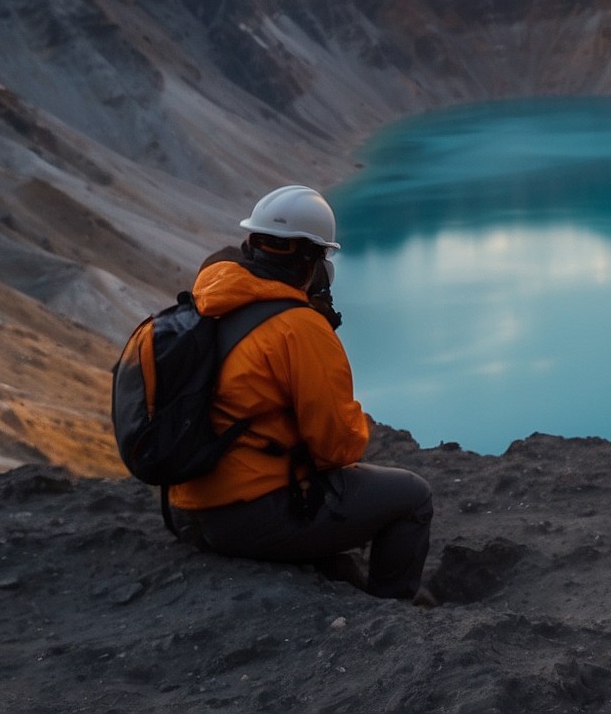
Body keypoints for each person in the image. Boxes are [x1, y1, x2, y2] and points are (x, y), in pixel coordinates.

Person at [167, 185, 436, 602]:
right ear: (311, 259)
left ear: (251, 245)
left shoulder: (206, 302)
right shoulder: (300, 328)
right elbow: (337, 450)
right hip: (244, 518)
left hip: (184, 512)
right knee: (412, 497)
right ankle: (392, 608)